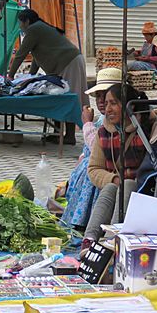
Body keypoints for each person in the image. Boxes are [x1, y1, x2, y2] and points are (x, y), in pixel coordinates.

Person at [81, 83, 155, 249]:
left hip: (144, 189)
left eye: (113, 103)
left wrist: (127, 181)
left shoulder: (148, 129)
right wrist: (113, 179)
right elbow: (94, 169)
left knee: (127, 185)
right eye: (106, 104)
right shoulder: (104, 132)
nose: (108, 109)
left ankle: (111, 240)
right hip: (119, 186)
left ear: (130, 105)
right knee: (110, 188)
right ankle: (89, 239)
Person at [7, 8, 86, 145]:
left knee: (68, 96)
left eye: (21, 22)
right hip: (65, 62)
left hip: (69, 62)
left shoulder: (34, 29)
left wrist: (10, 75)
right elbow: (37, 57)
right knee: (57, 96)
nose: (20, 26)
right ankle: (58, 133)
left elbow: (21, 53)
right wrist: (31, 76)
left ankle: (70, 136)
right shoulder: (40, 28)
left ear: (27, 21)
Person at [58, 67, 121, 232]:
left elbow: (99, 149)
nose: (101, 101)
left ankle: (86, 224)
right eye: (99, 96)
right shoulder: (101, 120)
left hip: (108, 170)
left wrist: (87, 123)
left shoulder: (118, 121)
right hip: (93, 169)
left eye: (107, 97)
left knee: (90, 170)